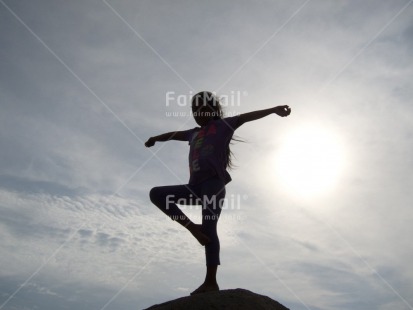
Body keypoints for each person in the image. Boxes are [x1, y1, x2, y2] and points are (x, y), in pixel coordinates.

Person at [145, 91, 291, 295]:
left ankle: (210, 281)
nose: (197, 112)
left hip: (214, 185)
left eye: (202, 108)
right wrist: (155, 139)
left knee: (210, 227)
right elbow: (172, 135)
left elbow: (248, 116)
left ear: (214, 110)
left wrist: (273, 110)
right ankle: (193, 229)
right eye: (194, 110)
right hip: (195, 188)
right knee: (156, 194)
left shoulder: (224, 125)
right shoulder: (192, 133)